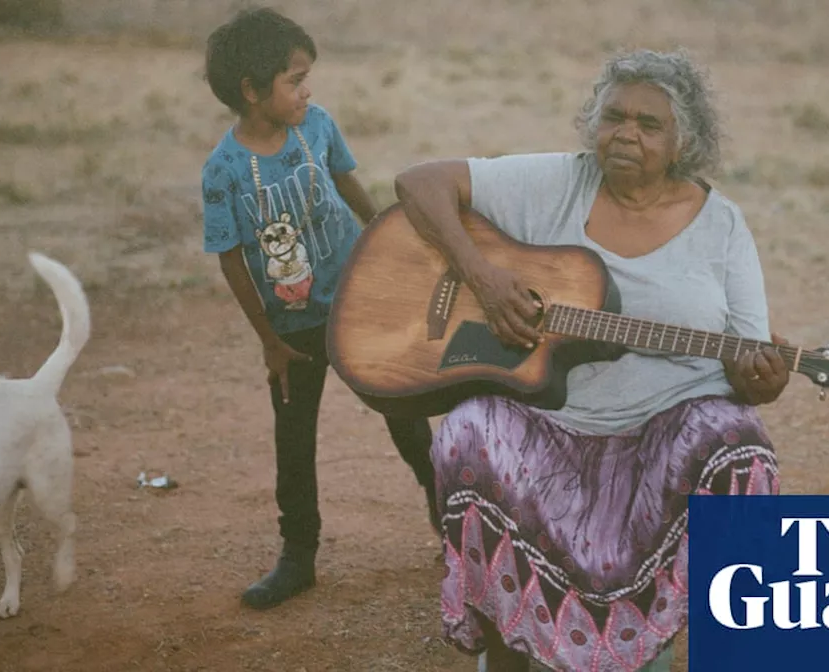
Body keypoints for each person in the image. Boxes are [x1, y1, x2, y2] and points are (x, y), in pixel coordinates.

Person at [393, 48, 790, 671]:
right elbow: (419, 184)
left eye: (649, 124)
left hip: (660, 434)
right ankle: (507, 644)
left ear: (685, 139)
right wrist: (485, 277)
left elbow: (749, 364)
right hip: (545, 421)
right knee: (467, 433)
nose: (625, 133)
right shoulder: (557, 181)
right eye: (614, 116)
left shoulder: (723, 227)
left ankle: (655, 634)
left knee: (743, 448)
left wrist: (762, 382)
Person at [199, 7, 439, 610]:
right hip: (292, 328)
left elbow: (347, 181)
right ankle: (297, 557)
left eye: (307, 77)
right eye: (294, 79)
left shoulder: (320, 125)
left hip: (357, 302)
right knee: (294, 440)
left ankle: (454, 523)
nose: (307, 90)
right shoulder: (223, 171)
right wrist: (269, 340)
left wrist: (385, 233)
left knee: (406, 416)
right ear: (253, 91)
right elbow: (230, 258)